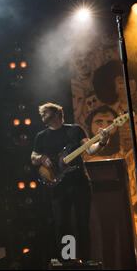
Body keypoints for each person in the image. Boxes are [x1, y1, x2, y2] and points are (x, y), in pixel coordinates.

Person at [30, 102, 110, 261]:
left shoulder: (75, 130)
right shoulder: (41, 136)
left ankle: (86, 260)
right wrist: (42, 158)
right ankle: (69, 260)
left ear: (58, 113)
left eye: (45, 112)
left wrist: (102, 142)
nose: (42, 114)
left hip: (79, 182)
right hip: (58, 186)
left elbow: (89, 150)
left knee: (82, 223)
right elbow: (33, 157)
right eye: (42, 113)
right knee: (62, 225)